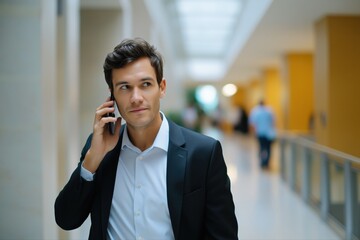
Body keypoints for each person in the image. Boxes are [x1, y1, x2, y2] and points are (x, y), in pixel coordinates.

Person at [55, 38, 238, 240]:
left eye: (146, 84)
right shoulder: (99, 148)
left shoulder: (204, 153)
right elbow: (66, 219)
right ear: (112, 95)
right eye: (124, 87)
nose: (136, 97)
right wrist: (92, 161)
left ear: (162, 87)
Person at [249, 100, 276, 168]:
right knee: (268, 148)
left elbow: (252, 123)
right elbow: (273, 121)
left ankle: (262, 162)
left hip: (260, 133)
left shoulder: (255, 111)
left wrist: (253, 132)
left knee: (261, 147)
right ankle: (266, 162)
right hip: (268, 133)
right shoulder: (269, 111)